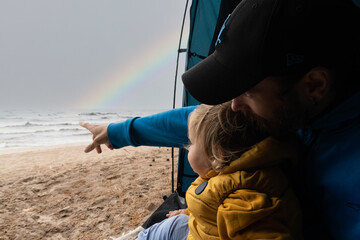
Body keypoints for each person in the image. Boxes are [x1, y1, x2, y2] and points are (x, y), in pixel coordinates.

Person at [80, 0, 360, 239]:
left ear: (314, 85)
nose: (234, 105)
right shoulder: (288, 114)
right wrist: (118, 132)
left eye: (248, 93)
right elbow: (202, 122)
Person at [135, 103, 302, 239]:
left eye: (191, 144)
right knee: (160, 226)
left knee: (155, 229)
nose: (187, 149)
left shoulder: (244, 198)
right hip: (198, 228)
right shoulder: (225, 177)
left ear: (217, 155)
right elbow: (212, 208)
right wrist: (190, 211)